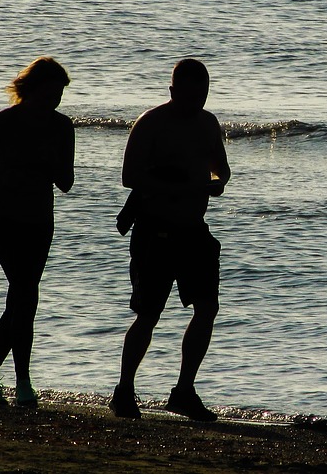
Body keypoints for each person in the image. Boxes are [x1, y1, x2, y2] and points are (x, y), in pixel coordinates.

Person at [109, 58, 230, 422]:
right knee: (148, 315)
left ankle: (183, 390)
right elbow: (129, 177)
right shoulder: (151, 123)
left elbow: (221, 169)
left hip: (194, 230)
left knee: (207, 308)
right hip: (155, 232)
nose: (196, 101)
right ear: (173, 90)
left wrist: (216, 183)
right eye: (190, 94)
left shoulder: (208, 123)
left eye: (203, 94)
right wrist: (178, 184)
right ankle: (124, 390)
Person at [0, 56, 74, 408]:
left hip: (40, 216)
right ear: (32, 89)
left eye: (60, 95)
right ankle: (9, 380)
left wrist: (48, 160)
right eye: (50, 93)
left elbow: (66, 182)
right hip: (5, 214)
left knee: (25, 298)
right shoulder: (5, 121)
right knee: (24, 294)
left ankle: (2, 379)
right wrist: (3, 176)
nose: (55, 101)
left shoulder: (62, 126)